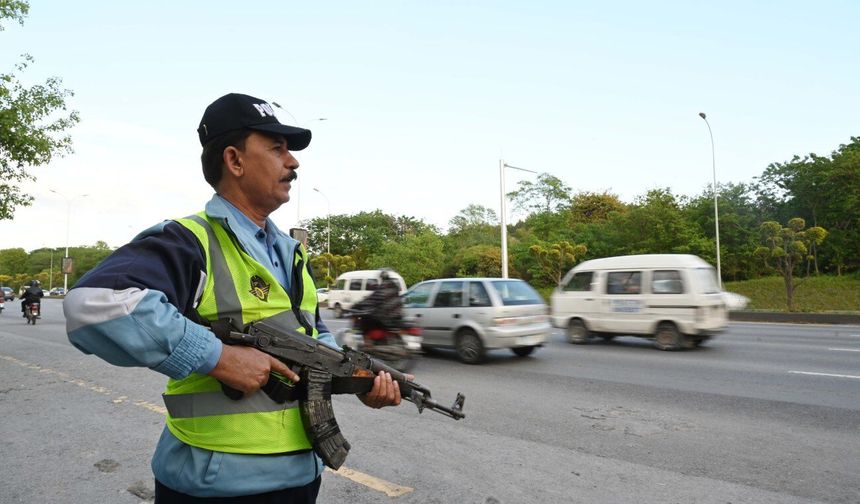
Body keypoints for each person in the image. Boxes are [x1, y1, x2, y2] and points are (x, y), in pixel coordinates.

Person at [64, 93, 404, 503]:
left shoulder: (293, 252)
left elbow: (315, 340)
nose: (292, 163)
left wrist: (362, 381)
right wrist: (218, 357)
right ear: (235, 160)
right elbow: (93, 305)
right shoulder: (190, 240)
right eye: (277, 149)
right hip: (214, 486)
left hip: (300, 477)